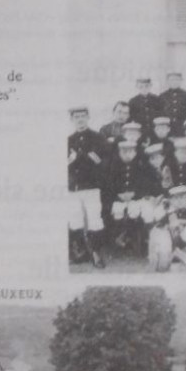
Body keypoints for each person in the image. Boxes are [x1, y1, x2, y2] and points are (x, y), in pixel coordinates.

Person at [67, 107, 108, 268]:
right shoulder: (68, 139)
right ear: (72, 119)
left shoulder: (97, 137)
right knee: (75, 218)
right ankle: (80, 252)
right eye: (76, 117)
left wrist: (93, 159)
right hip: (74, 187)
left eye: (83, 116)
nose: (80, 119)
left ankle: (96, 254)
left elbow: (105, 161)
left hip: (91, 185)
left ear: (88, 117)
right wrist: (70, 160)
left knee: (95, 219)